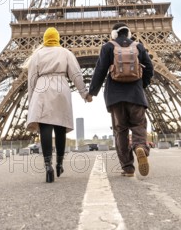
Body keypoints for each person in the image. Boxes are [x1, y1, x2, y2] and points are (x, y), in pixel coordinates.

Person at [88, 23, 154, 177]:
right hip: (136, 95)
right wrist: (141, 84)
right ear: (129, 33)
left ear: (114, 35)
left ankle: (128, 168)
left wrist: (92, 92)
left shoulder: (108, 47)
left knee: (120, 131)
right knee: (139, 125)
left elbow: (100, 70)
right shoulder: (139, 46)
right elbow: (150, 68)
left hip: (115, 97)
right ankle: (140, 147)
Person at [26, 27, 91, 183]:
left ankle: (48, 165)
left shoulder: (37, 55)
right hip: (61, 86)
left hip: (42, 88)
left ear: (45, 39)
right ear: (57, 38)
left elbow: (31, 79)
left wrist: (31, 101)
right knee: (60, 128)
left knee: (45, 128)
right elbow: (75, 74)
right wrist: (84, 93)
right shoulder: (65, 53)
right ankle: (60, 163)